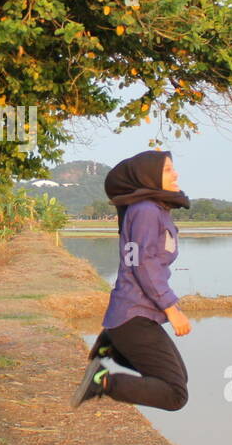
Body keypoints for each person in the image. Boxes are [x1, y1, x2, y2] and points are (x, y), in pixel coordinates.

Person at [70, 149, 192, 411]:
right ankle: (100, 380)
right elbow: (143, 264)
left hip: (138, 314)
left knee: (178, 378)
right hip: (134, 314)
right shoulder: (146, 210)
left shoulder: (154, 210)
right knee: (174, 394)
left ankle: (113, 348)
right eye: (168, 169)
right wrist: (173, 310)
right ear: (149, 177)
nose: (176, 174)